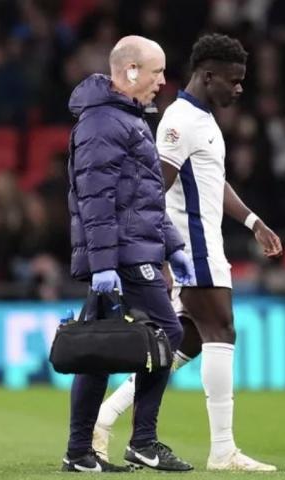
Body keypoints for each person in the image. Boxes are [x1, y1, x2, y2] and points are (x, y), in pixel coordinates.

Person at [92, 33, 282, 472]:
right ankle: (223, 451)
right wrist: (157, 255)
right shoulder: (179, 122)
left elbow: (212, 180)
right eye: (233, 80)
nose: (239, 88)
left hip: (204, 244)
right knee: (222, 331)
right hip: (191, 248)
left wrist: (253, 222)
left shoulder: (203, 119)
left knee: (187, 342)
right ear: (208, 75)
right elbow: (154, 189)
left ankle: (105, 416)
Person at [62, 35, 196, 473]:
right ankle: (143, 442)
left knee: (96, 352)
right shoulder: (105, 122)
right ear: (131, 70)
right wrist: (104, 266)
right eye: (156, 71)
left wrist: (172, 246)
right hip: (122, 255)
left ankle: (79, 453)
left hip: (127, 249)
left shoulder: (123, 118)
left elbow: (142, 198)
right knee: (168, 333)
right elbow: (96, 200)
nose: (162, 81)